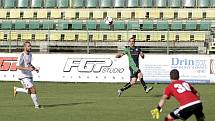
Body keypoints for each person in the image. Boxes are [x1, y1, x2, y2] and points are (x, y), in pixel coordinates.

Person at [14, 41, 42, 109]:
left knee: (30, 91)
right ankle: (37, 106)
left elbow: (29, 64)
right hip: (23, 76)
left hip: (29, 75)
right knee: (33, 89)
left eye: (30, 46)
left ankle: (17, 89)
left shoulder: (30, 54)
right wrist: (27, 68)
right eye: (28, 46)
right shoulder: (22, 55)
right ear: (25, 47)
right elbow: (17, 66)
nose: (30, 47)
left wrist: (35, 69)